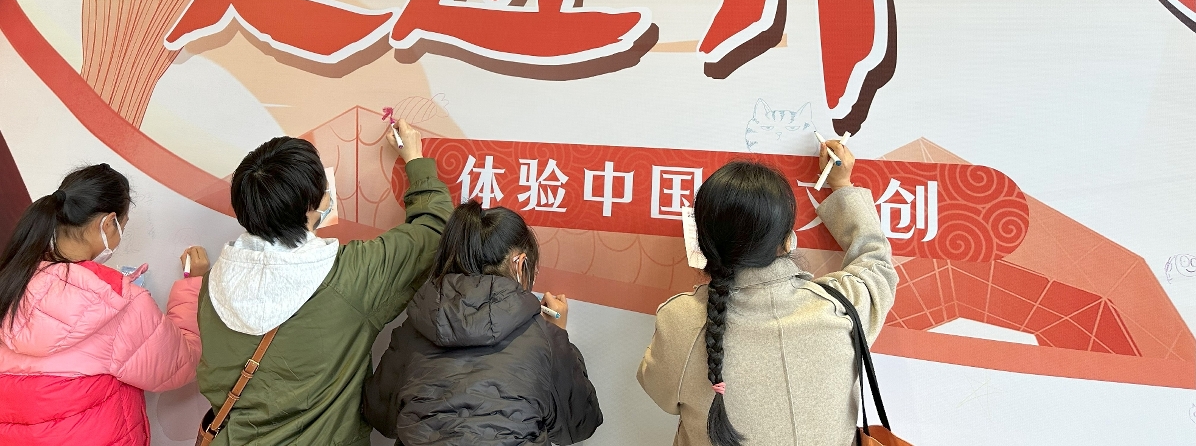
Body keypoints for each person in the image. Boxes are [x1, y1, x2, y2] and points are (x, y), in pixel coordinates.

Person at [196, 119, 452, 446]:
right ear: (312, 206)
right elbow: (434, 231)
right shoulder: (352, 276)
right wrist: (415, 159)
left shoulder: (213, 285)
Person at [637, 141, 898, 446]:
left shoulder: (681, 322)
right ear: (788, 242)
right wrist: (841, 185)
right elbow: (877, 263)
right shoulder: (841, 308)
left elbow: (662, 395)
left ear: (701, 243)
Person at [363, 201, 603, 445]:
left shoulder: (413, 329)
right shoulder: (545, 337)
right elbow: (579, 424)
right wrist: (558, 335)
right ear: (519, 264)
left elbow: (380, 416)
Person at [0, 163, 207, 446]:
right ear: (108, 223)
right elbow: (181, 365)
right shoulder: (115, 302)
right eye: (123, 226)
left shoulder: (12, 281)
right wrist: (191, 285)